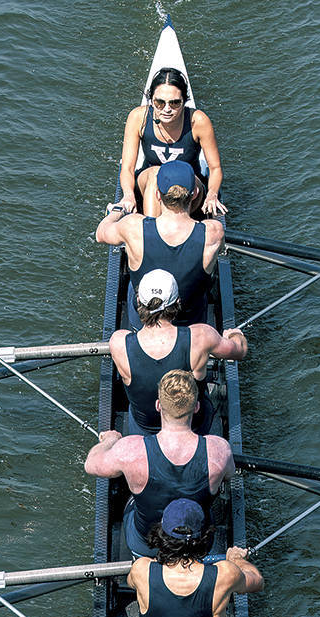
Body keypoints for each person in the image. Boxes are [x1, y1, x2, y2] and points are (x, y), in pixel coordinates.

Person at [83, 369, 234, 559]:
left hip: (146, 546)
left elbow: (91, 465)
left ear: (158, 406)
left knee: (129, 491)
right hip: (197, 544)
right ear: (196, 407)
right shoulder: (219, 450)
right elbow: (230, 474)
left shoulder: (130, 450)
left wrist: (109, 441)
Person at [128, 498, 263, 617]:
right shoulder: (226, 573)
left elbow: (130, 583)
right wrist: (238, 560)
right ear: (206, 537)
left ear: (162, 534)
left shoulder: (141, 569)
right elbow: (257, 580)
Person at [108, 268, 248, 436]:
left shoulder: (118, 342)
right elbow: (239, 351)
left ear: (138, 301)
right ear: (178, 302)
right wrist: (234, 335)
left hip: (144, 431)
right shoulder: (201, 336)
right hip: (194, 426)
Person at [97, 161, 225, 329]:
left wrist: (118, 210)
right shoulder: (213, 232)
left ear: (157, 195)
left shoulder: (132, 226)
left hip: (142, 323)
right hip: (190, 327)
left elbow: (101, 234)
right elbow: (221, 248)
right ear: (194, 194)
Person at [116, 66, 226, 219]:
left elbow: (215, 168)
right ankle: (153, 229)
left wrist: (212, 195)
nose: (167, 109)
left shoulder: (199, 121)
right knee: (157, 173)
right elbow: (127, 167)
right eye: (160, 102)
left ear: (184, 101)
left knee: (183, 179)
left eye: (175, 103)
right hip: (149, 184)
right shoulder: (138, 117)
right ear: (151, 100)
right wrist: (128, 195)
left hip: (188, 188)